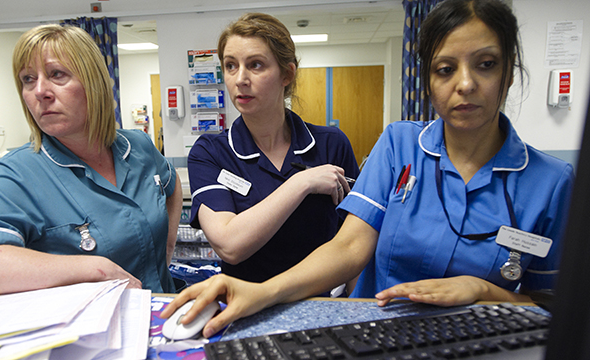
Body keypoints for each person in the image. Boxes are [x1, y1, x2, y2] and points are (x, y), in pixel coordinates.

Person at [162, 0, 574, 339]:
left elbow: (553, 300)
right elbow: (349, 248)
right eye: (445, 69)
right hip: (376, 333)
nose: (464, 84)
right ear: (427, 79)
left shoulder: (551, 184)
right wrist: (263, 292)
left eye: (485, 64)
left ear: (510, 69)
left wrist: (485, 291)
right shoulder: (398, 146)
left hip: (479, 342)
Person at [0, 24, 182, 295]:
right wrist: (95, 270)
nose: (39, 91)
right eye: (28, 79)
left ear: (93, 83)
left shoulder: (137, 145)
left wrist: (167, 250)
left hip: (164, 316)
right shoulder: (14, 175)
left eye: (57, 74)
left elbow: (172, 187)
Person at [186, 13, 359, 284]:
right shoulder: (210, 153)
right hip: (243, 308)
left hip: (320, 304)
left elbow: (353, 242)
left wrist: (354, 304)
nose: (240, 78)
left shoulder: (331, 144)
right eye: (230, 66)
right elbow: (229, 245)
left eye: (255, 65)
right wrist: (301, 183)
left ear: (286, 74)